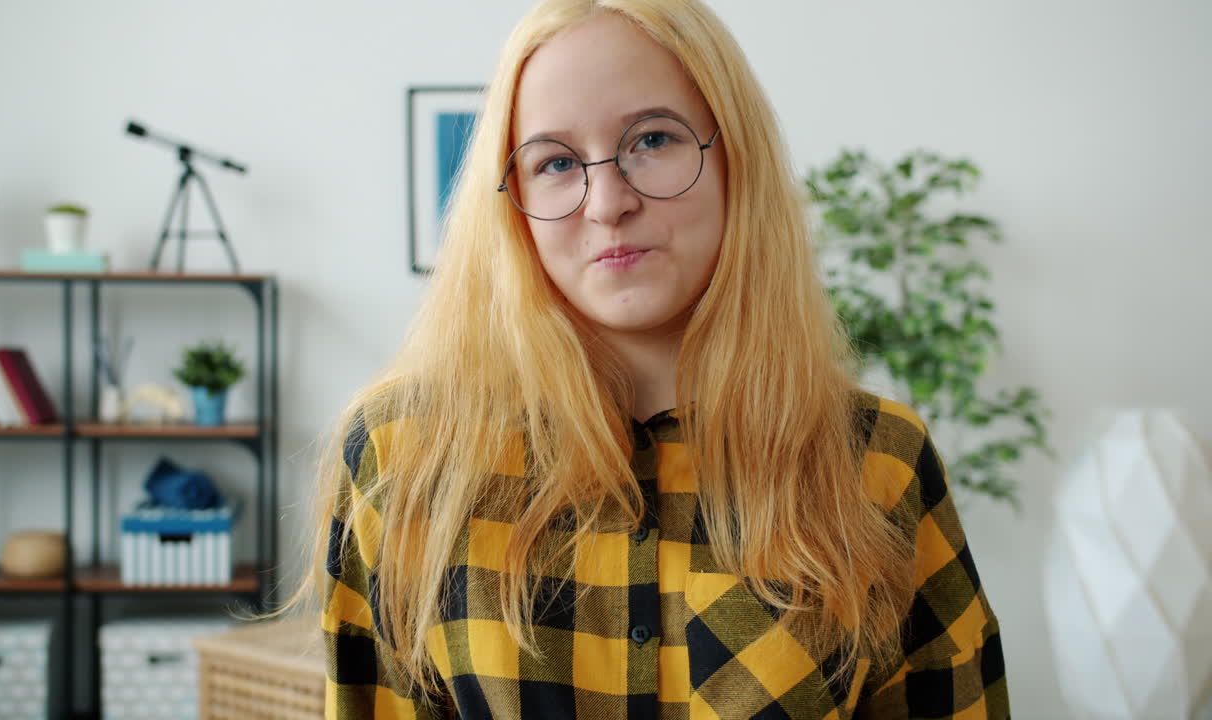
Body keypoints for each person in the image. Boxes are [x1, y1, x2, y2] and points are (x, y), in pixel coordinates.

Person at [309, 1, 1008, 717]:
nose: (608, 201)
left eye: (651, 139)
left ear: (735, 155)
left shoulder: (878, 462)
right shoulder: (405, 454)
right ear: (511, 203)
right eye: (554, 161)